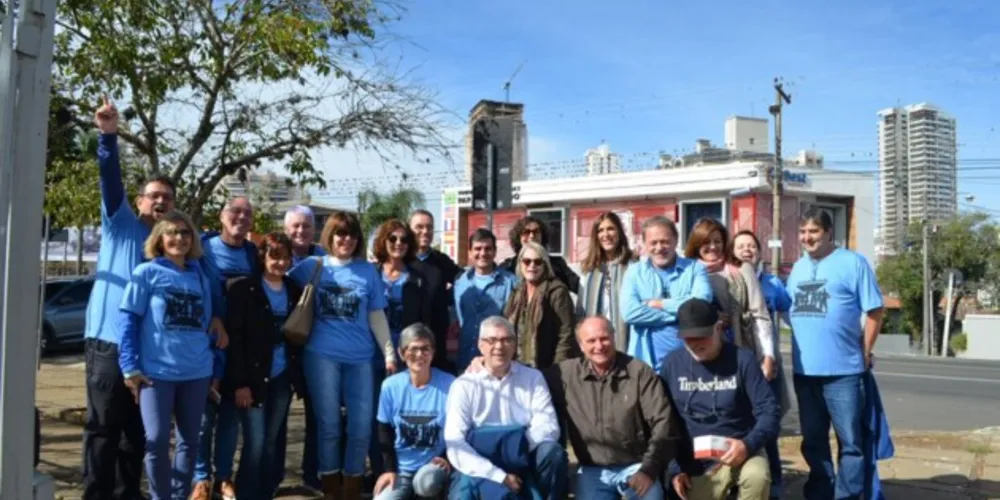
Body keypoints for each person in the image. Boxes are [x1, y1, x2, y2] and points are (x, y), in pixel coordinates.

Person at [82, 96, 188, 500]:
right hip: (108, 346)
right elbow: (109, 178)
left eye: (167, 198)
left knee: (137, 435)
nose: (160, 201)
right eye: (153, 196)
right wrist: (108, 136)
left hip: (147, 354)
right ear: (141, 201)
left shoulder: (171, 249)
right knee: (103, 431)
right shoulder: (121, 223)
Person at [287, 211, 396, 498]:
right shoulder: (313, 266)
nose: (345, 239)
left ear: (358, 239)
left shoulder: (367, 272)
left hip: (360, 358)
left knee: (361, 426)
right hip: (321, 356)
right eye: (339, 233)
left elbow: (376, 315)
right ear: (330, 237)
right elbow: (277, 282)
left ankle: (352, 485)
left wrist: (389, 353)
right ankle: (331, 488)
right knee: (329, 426)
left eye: (351, 234)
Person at [117, 211, 220, 500]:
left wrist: (214, 369)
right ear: (159, 239)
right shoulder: (146, 272)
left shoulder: (199, 275)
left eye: (185, 233)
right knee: (156, 440)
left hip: (197, 373)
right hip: (156, 375)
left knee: (191, 442)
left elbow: (206, 323)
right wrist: (129, 366)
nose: (179, 238)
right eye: (172, 232)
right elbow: (128, 320)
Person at [785, 209, 885, 500]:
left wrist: (865, 350)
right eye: (803, 232)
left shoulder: (853, 263)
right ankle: (819, 492)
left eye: (813, 231)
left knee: (851, 442)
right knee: (813, 441)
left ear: (829, 233)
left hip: (844, 372)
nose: (807, 237)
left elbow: (875, 309)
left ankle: (848, 495)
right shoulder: (798, 268)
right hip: (805, 372)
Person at [660, 299, 780, 500]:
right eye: (688, 338)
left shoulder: (743, 360)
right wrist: (674, 468)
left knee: (756, 476)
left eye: (702, 336)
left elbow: (770, 412)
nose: (695, 344)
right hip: (694, 463)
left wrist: (747, 444)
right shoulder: (672, 364)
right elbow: (663, 422)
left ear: (718, 328)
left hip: (740, 450)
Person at [544, 316, 675, 500]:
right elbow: (528, 381)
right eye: (591, 341)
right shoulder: (564, 375)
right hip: (592, 469)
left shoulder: (639, 372)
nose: (599, 346)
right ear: (580, 345)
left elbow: (664, 424)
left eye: (604, 338)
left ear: (614, 338)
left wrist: (649, 469)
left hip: (637, 465)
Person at [444, 316, 568, 500]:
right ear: (480, 345)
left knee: (553, 453)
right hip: (479, 461)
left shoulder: (533, 378)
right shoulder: (463, 385)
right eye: (491, 340)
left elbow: (548, 426)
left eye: (506, 340)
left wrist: (514, 450)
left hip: (524, 454)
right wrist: (498, 475)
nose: (499, 347)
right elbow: (455, 442)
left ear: (515, 344)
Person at [223, 232, 304, 500]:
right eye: (274, 256)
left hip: (282, 377)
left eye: (285, 258)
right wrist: (240, 383)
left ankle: (266, 491)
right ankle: (247, 492)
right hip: (253, 378)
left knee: (271, 441)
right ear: (262, 257)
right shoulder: (243, 289)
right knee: (255, 442)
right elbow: (235, 340)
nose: (280, 263)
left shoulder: (295, 289)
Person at [193, 196, 260, 500]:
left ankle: (223, 477)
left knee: (231, 418)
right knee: (203, 418)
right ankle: (199, 478)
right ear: (222, 216)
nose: (241, 217)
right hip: (206, 345)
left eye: (248, 213)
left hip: (238, 348)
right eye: (235, 211)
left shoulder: (251, 254)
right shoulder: (202, 249)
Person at [369, 219, 435, 481]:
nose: (398, 244)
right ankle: (379, 470)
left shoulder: (417, 279)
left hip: (406, 357)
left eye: (403, 240)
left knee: (402, 414)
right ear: (383, 241)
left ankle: (403, 470)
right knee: (376, 414)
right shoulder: (371, 274)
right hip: (371, 354)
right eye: (392, 239)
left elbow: (424, 320)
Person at [731, 229, 793, 499]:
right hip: (741, 361)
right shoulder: (731, 279)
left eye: (751, 245)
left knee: (769, 424)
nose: (747, 250)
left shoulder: (773, 284)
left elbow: (790, 315)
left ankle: (775, 483)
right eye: (741, 245)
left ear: (759, 251)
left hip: (768, 362)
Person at [683, 218, 776, 380]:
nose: (713, 246)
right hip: (700, 352)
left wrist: (768, 355)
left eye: (717, 241)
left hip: (741, 348)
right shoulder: (686, 272)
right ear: (696, 244)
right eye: (706, 242)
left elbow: (759, 315)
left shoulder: (742, 269)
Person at [373, 324, 455, 500]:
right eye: (413, 349)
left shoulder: (450, 385)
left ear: (433, 352)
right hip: (401, 469)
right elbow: (383, 430)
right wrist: (388, 470)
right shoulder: (390, 386)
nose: (419, 355)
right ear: (402, 353)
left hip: (433, 466)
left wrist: (447, 457)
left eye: (425, 349)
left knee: (426, 483)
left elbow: (459, 428)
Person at [620, 216, 712, 371]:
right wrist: (677, 315)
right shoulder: (634, 272)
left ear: (676, 240)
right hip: (647, 364)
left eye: (665, 241)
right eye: (653, 242)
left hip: (690, 363)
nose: (659, 247)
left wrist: (660, 304)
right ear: (644, 244)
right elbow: (630, 313)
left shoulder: (695, 268)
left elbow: (702, 302)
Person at [279, 204, 327, 493]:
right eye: (295, 226)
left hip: (315, 349)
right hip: (281, 350)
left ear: (314, 230)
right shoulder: (275, 257)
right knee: (277, 419)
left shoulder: (325, 260)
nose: (300, 231)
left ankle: (312, 475)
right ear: (287, 229)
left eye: (306, 226)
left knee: (316, 417)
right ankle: (272, 478)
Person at [503, 241, 576, 368]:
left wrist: (557, 369)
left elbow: (566, 334)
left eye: (538, 262)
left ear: (545, 265)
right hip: (517, 367)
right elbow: (505, 325)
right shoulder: (516, 292)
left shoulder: (557, 292)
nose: (532, 266)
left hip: (547, 367)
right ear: (520, 264)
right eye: (527, 261)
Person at [453, 229, 516, 373]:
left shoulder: (510, 282)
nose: (483, 253)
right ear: (469, 252)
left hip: (498, 361)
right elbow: (460, 320)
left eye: (488, 249)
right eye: (477, 249)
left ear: (494, 252)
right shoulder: (460, 283)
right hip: (466, 360)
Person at [408, 209, 462, 373]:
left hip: (436, 339)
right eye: (419, 227)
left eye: (429, 227)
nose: (425, 231)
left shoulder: (442, 261)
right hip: (406, 340)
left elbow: (463, 280)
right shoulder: (401, 261)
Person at [575, 211, 636, 352]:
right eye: (600, 230)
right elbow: (580, 310)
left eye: (610, 229)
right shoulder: (588, 269)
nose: (605, 234)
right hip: (596, 340)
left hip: (626, 338)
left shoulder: (633, 265)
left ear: (619, 232)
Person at [498, 215, 580, 294]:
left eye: (536, 232)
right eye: (526, 232)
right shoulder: (508, 267)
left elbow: (579, 287)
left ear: (542, 236)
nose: (532, 236)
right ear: (518, 238)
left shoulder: (557, 264)